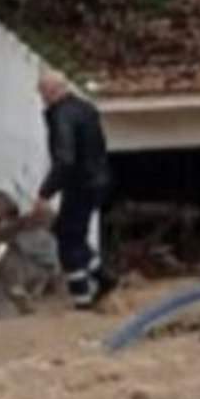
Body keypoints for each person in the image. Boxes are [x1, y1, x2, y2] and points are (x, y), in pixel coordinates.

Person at [34, 68, 115, 310]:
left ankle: (83, 299)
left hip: (80, 184)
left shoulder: (62, 115)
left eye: (42, 92)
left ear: (52, 91)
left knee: (68, 243)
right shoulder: (85, 108)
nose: (41, 98)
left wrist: (45, 193)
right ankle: (102, 277)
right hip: (97, 180)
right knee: (71, 234)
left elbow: (65, 159)